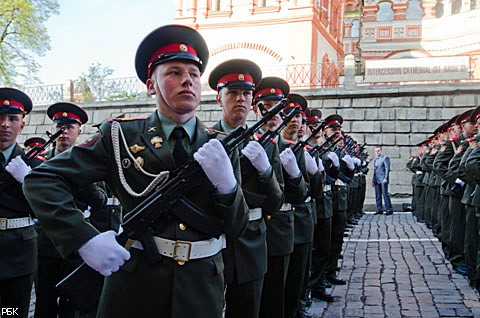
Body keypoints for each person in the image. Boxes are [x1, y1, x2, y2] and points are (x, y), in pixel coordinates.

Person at [23, 24, 248, 318]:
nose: (187, 81)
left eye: (194, 74)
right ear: (151, 85)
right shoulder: (120, 137)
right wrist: (84, 238)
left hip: (200, 288)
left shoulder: (220, 144)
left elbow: (238, 227)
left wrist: (228, 188)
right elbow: (42, 179)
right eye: (174, 72)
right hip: (135, 285)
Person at [208, 59, 283, 318]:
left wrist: (265, 171)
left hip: (251, 243)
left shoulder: (266, 146)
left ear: (252, 101)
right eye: (232, 92)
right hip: (214, 244)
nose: (240, 99)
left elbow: (275, 201)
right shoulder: (205, 141)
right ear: (219, 98)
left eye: (246, 93)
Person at [34, 102, 114, 318]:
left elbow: (100, 200)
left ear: (79, 131)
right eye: (60, 126)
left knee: (73, 303)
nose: (64, 132)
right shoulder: (38, 163)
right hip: (46, 244)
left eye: (70, 127)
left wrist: (80, 178)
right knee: (43, 302)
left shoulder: (87, 163)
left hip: (76, 244)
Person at [0, 87, 43, 318]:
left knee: (11, 312)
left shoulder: (35, 166)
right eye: (0, 117)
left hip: (18, 253)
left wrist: (29, 181)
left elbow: (45, 208)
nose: (5, 124)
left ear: (22, 125)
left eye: (13, 119)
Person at [372, 146, 393, 215]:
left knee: (385, 194)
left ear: (381, 151)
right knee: (378, 195)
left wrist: (386, 178)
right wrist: (373, 180)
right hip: (377, 179)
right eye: (376, 151)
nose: (377, 152)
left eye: (378, 151)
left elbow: (387, 169)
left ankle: (389, 209)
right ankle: (379, 209)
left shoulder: (385, 158)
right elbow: (375, 171)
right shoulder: (375, 159)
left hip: (383, 179)